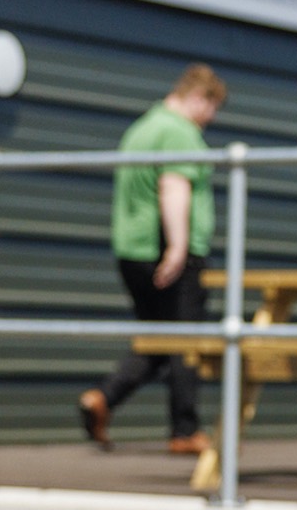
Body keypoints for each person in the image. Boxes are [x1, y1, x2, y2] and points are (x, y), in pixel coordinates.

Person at [78, 63, 226, 456]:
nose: (210, 119)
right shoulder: (179, 132)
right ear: (199, 98)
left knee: (157, 340)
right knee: (183, 342)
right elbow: (173, 187)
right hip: (170, 252)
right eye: (212, 109)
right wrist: (178, 247)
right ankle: (185, 430)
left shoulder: (140, 129)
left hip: (132, 251)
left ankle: (103, 399)